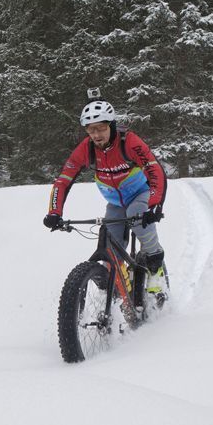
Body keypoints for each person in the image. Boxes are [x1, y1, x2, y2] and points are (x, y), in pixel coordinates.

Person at [43, 99, 168, 306]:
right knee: (111, 242)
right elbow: (63, 180)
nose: (97, 135)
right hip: (115, 202)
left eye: (101, 128)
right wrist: (54, 212)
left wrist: (154, 205)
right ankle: (119, 286)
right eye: (91, 130)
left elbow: (155, 170)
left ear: (111, 125)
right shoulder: (86, 149)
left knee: (138, 217)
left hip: (140, 193)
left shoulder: (129, 142)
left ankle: (155, 264)